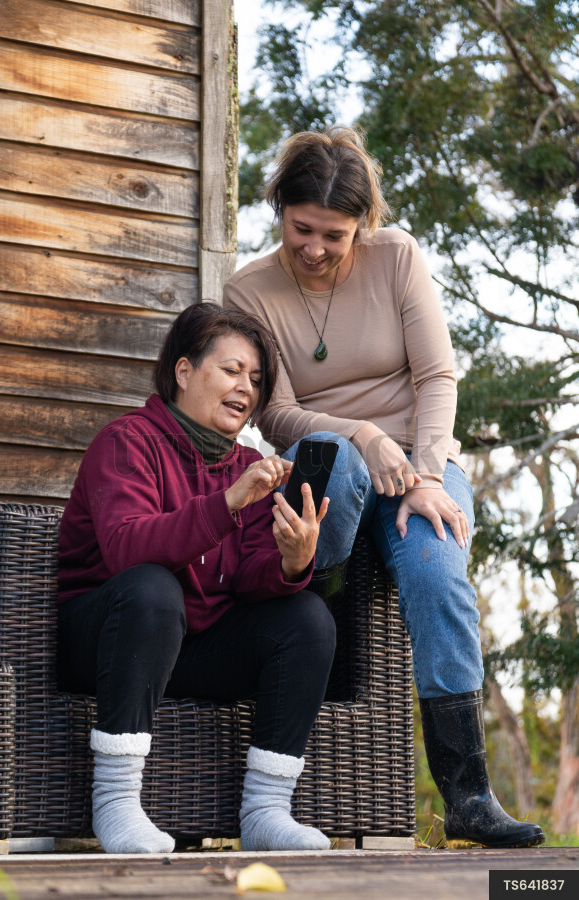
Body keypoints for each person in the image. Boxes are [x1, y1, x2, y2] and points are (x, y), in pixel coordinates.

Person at [223, 127, 544, 849]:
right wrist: (365, 438)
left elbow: (436, 378)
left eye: (333, 235)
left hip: (417, 469)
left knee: (438, 571)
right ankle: (319, 605)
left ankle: (466, 795)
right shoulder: (247, 289)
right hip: (333, 465)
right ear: (279, 209)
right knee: (333, 452)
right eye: (301, 229)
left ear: (360, 227)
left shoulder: (396, 256)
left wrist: (427, 476)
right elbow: (272, 412)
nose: (314, 248)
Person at [57, 302, 337, 854]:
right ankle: (115, 803)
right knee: (152, 589)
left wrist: (292, 559)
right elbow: (127, 548)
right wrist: (227, 502)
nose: (246, 388)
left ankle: (265, 811)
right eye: (231, 370)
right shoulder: (127, 441)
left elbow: (252, 580)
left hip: (192, 647)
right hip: (110, 642)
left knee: (308, 616)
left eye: (255, 379)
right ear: (184, 372)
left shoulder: (247, 466)